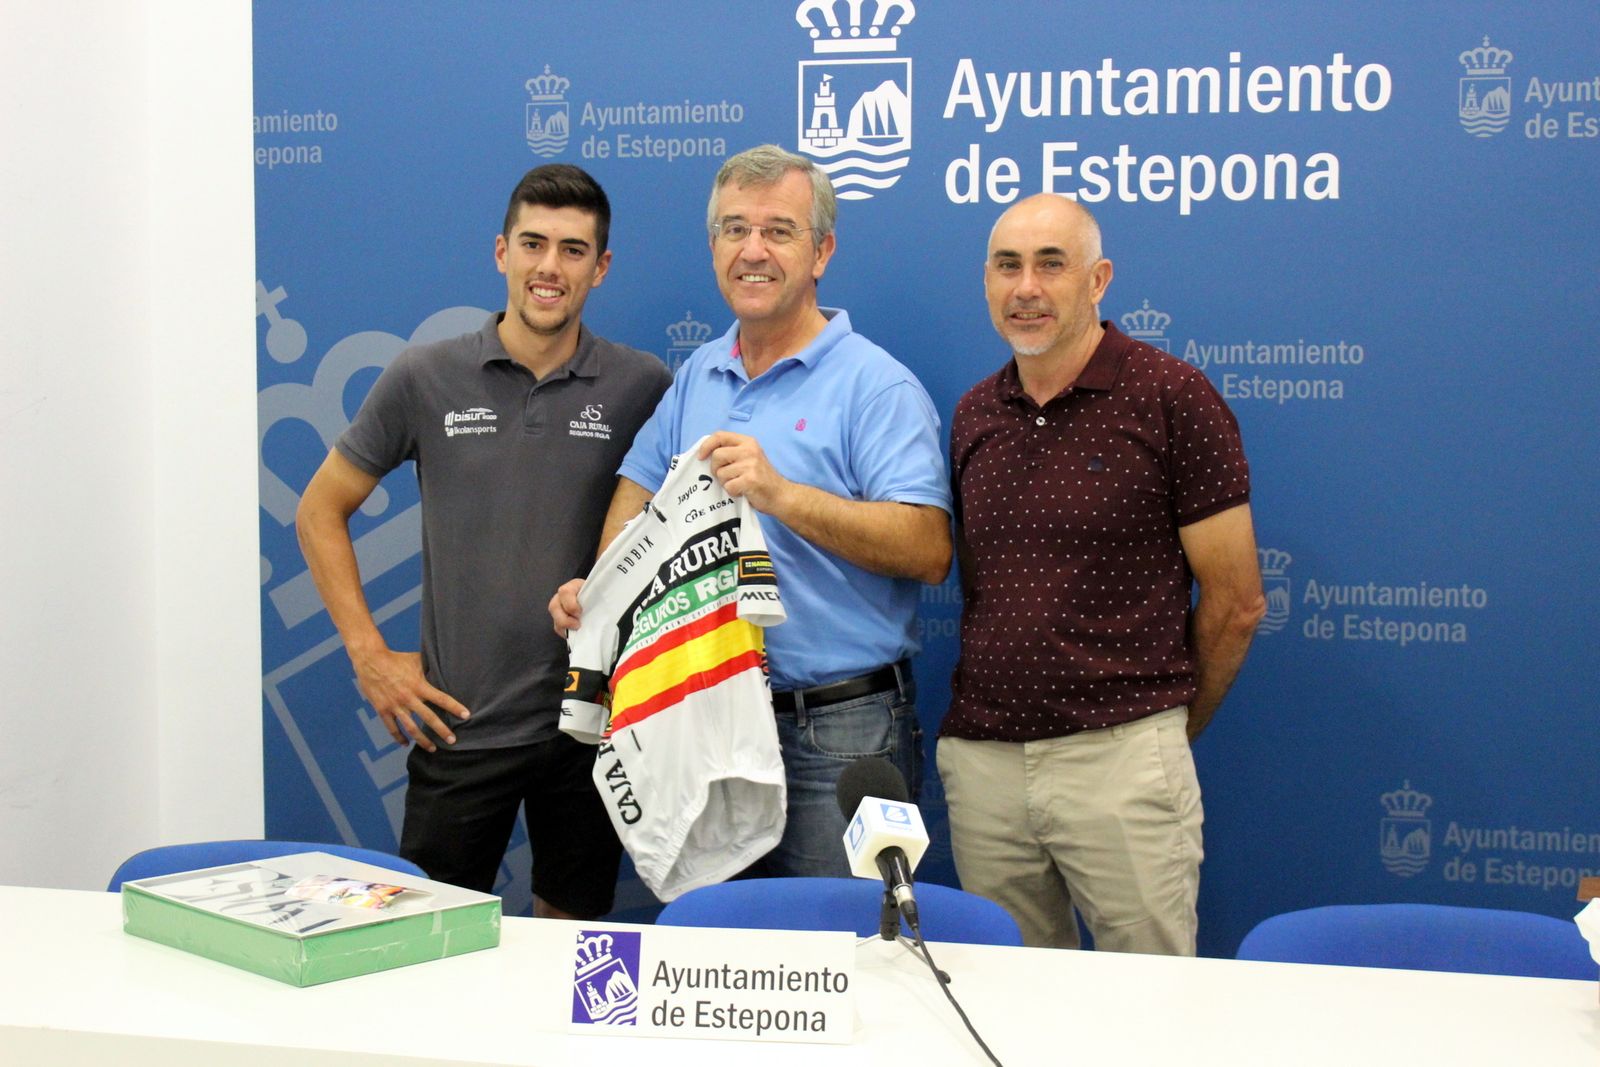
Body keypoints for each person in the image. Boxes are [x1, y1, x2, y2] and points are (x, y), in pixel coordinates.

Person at [549, 144, 952, 877]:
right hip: (701, 717)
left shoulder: (877, 386)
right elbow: (639, 488)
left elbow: (927, 548)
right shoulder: (700, 374)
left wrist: (780, 494)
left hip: (839, 730)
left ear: (821, 251)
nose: (753, 250)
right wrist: (605, 590)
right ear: (713, 249)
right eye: (734, 230)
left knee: (839, 939)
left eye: (778, 231)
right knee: (725, 939)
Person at [295, 164, 673, 918]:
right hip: (460, 726)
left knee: (572, 939)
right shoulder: (425, 376)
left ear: (600, 267)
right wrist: (368, 655)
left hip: (591, 724)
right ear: (502, 252)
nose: (549, 266)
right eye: (533, 243)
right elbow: (319, 510)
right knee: (428, 940)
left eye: (572, 250)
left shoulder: (643, 386)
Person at [939, 194, 1266, 954]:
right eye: (1007, 266)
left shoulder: (1172, 396)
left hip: (1122, 761)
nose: (1026, 288)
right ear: (986, 281)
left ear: (1098, 279)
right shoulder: (975, 413)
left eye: (1051, 265)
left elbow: (1237, 601)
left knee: (1149, 1005)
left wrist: (1158, 730)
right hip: (985, 765)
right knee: (1008, 1002)